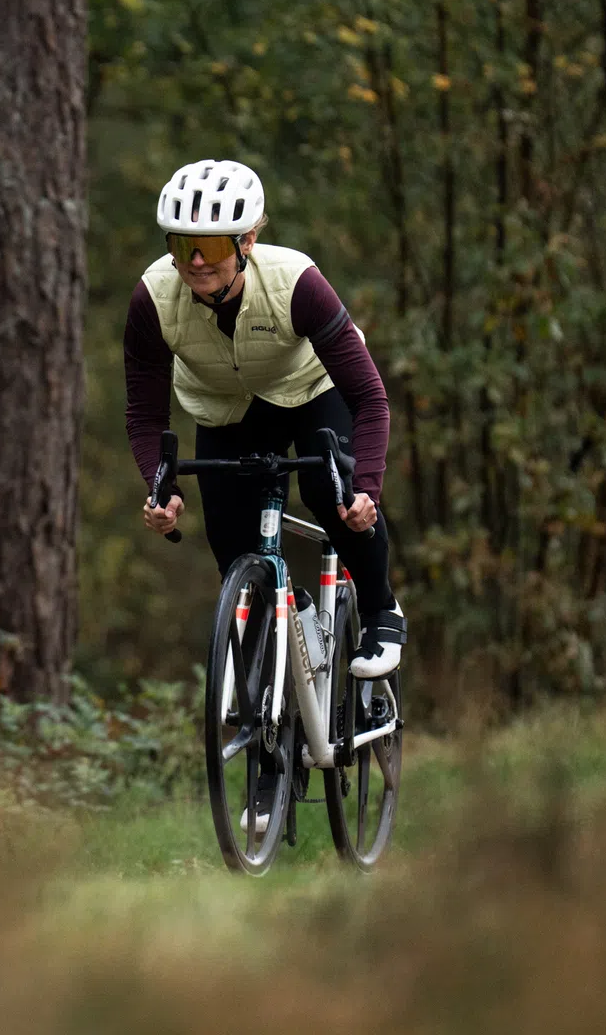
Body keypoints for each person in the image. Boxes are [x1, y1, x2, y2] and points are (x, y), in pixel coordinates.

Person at [125, 159, 405, 829]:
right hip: (226, 411)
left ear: (247, 240)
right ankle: (272, 761)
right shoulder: (152, 299)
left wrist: (366, 487)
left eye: (211, 245)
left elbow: (370, 399)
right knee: (237, 558)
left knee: (328, 491)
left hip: (312, 392)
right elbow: (144, 414)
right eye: (181, 244)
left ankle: (381, 611)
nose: (195, 261)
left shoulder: (296, 283)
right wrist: (161, 489)